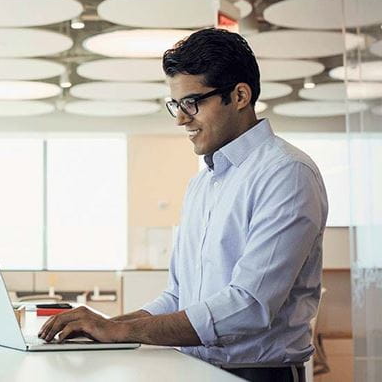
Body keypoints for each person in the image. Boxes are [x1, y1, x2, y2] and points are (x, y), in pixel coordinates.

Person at [38, 28, 328, 382]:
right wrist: (105, 326)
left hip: (257, 374)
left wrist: (119, 332)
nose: (180, 118)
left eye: (192, 103)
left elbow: (249, 306)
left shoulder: (286, 174)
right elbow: (178, 296)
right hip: (195, 369)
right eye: (175, 104)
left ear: (239, 95)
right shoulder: (203, 182)